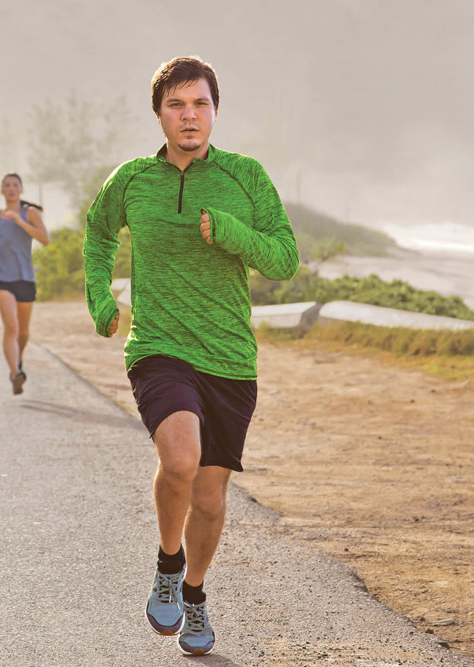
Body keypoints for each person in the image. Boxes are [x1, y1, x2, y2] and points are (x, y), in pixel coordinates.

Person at [83, 56, 298, 656]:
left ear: (215, 111)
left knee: (209, 496)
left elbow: (283, 259)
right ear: (158, 114)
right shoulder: (130, 180)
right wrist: (101, 297)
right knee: (179, 459)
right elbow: (98, 234)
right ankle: (167, 563)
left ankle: (196, 595)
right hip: (158, 347)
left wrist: (232, 232)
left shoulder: (245, 177)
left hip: (229, 357)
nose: (189, 116)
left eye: (200, 104)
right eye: (176, 105)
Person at [0, 173, 49, 394]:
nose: (11, 189)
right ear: (1, 190)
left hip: (25, 277)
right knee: (11, 327)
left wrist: (20, 221)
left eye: (15, 185)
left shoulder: (30, 213)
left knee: (24, 332)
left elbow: (45, 239)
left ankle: (17, 360)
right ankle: (14, 373)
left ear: (21, 190)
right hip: (2, 277)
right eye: (7, 185)